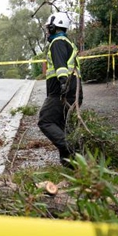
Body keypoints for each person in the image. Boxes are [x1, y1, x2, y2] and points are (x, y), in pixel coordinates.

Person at [38, 13, 83, 167]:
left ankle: (71, 148)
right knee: (62, 126)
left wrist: (63, 83)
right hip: (70, 90)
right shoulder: (66, 42)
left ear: (53, 26)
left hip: (61, 91)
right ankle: (72, 165)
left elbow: (61, 66)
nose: (47, 31)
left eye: (48, 27)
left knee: (46, 120)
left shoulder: (58, 42)